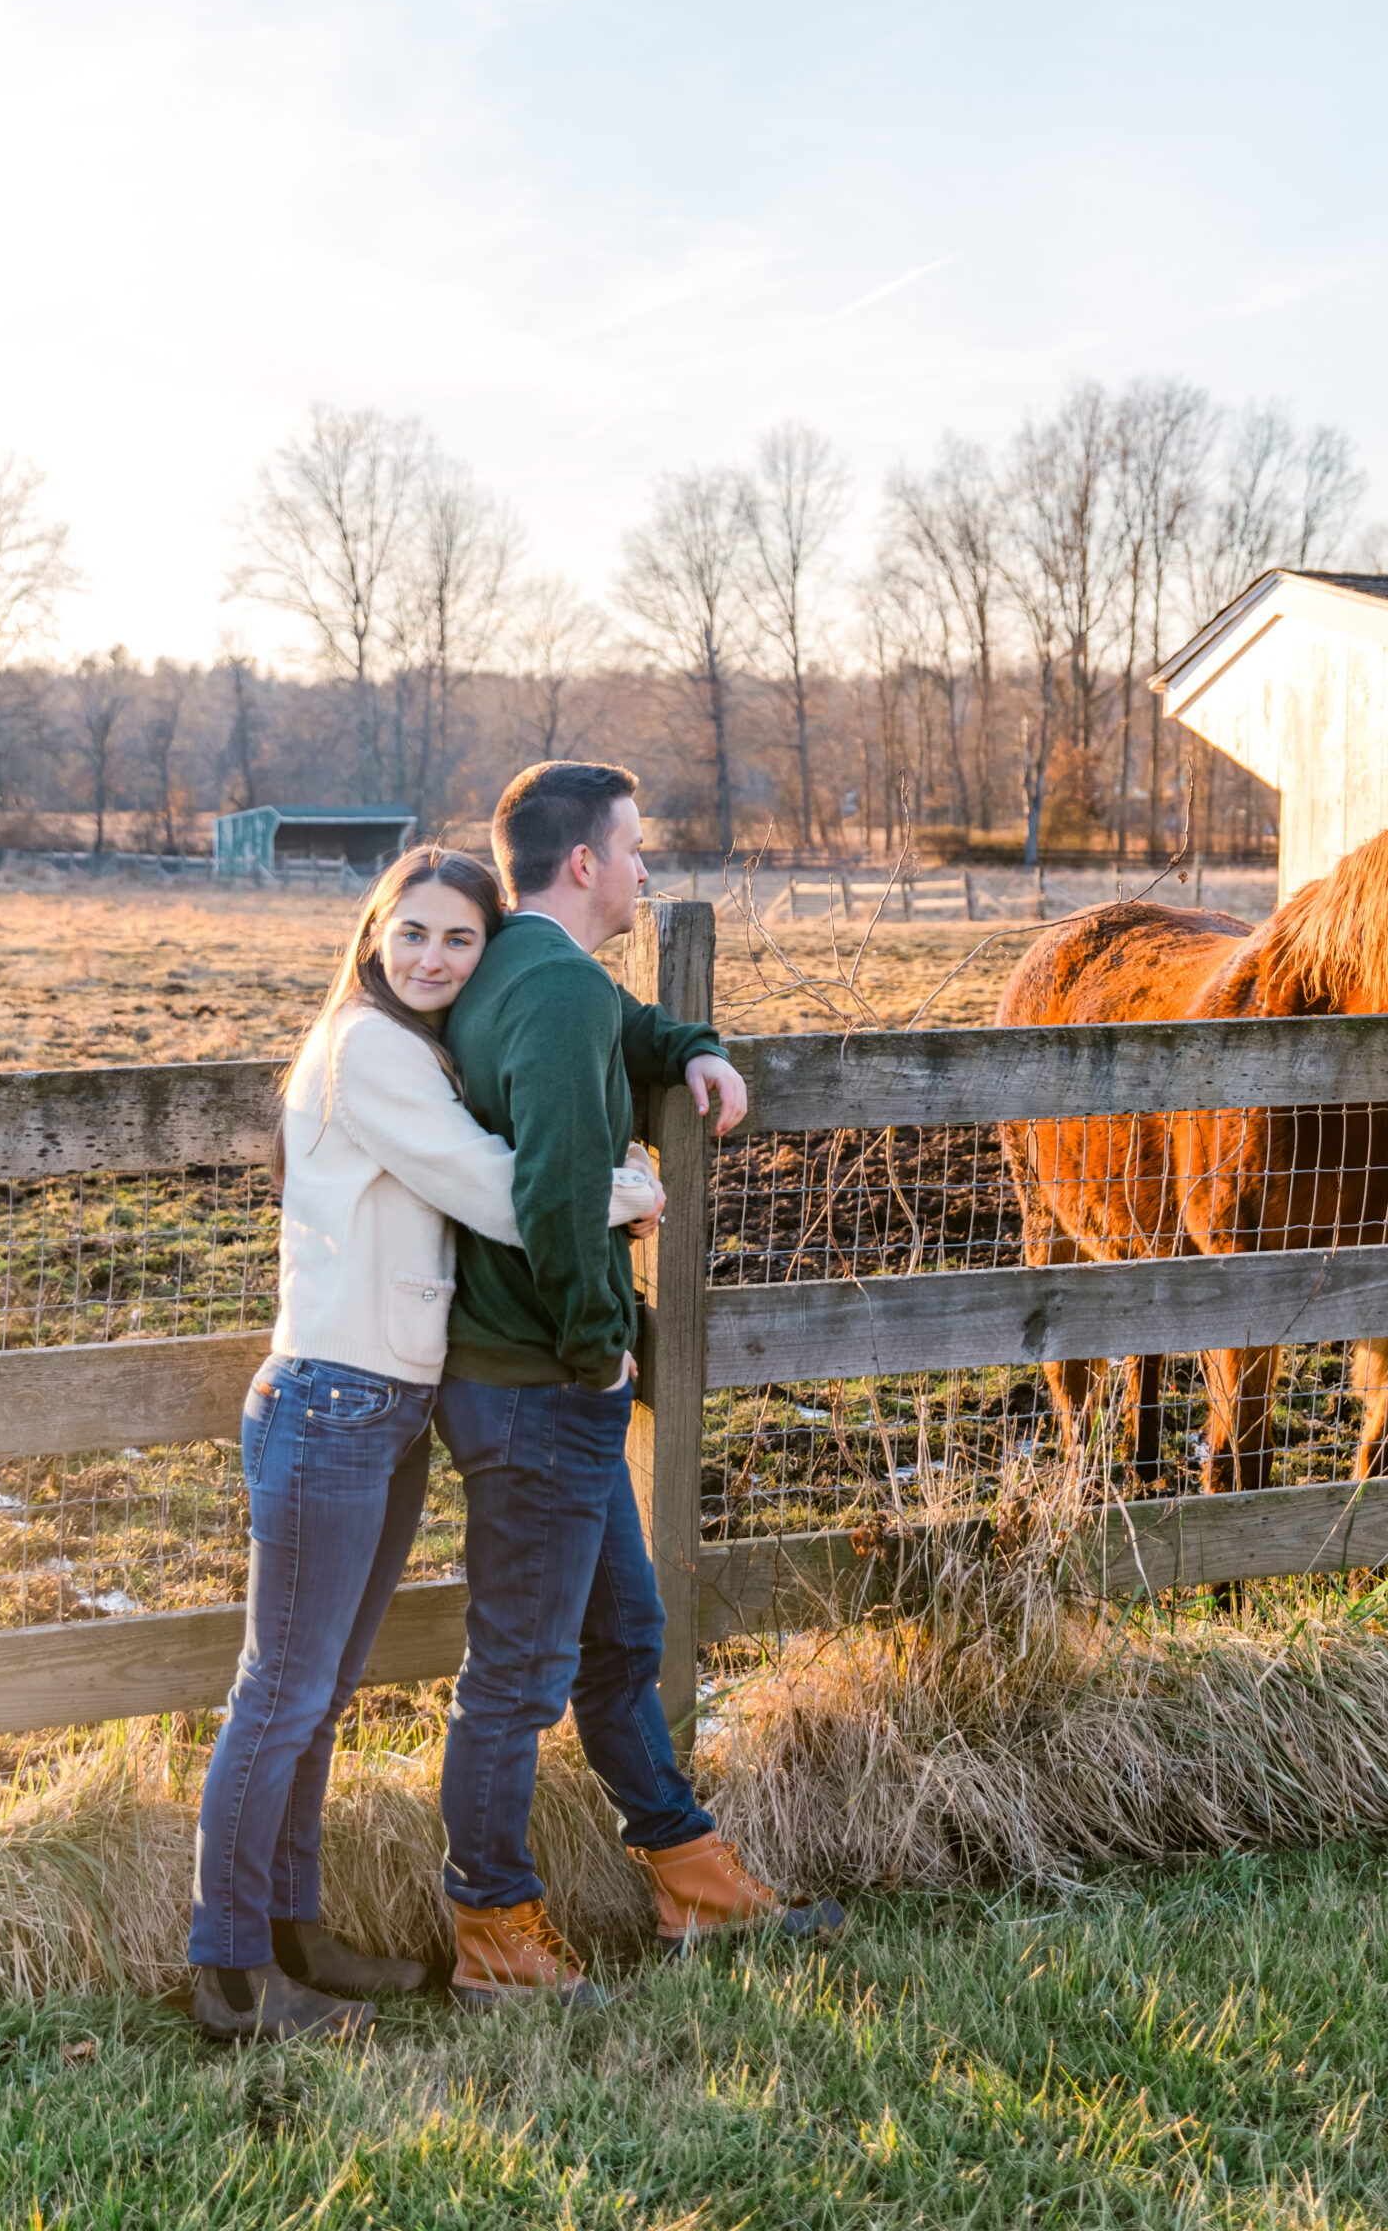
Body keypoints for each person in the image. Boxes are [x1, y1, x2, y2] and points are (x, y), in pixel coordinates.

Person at [436, 760, 841, 2005]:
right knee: (517, 1673)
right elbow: (559, 1196)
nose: (646, 868)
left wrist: (695, 1047)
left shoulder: (527, 966)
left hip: (536, 1377)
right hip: (543, 1378)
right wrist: (594, 1346)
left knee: (625, 1637)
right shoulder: (553, 989)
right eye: (633, 846)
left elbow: (621, 1031)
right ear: (581, 865)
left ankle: (693, 1881)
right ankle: (494, 1932)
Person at [188, 846, 527, 2043]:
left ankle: (298, 1932)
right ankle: (230, 1969)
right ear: (375, 929)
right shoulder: (370, 1046)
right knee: (280, 1692)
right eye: (414, 932)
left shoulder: (410, 1047)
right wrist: (627, 1192)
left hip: (380, 1404)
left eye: (460, 940)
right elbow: (493, 1190)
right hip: (333, 1401)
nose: (432, 957)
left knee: (316, 1695)